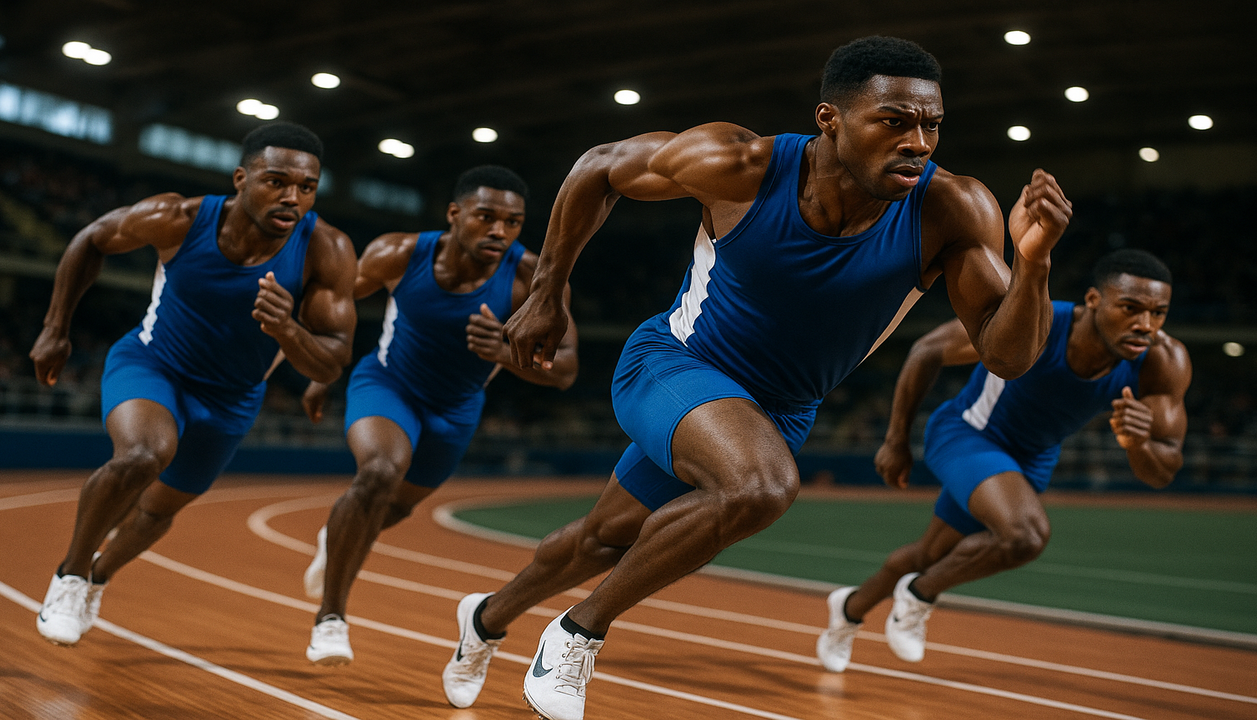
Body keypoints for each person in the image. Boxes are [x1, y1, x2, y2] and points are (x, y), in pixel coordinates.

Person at [441, 36, 1073, 720]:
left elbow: (1008, 356)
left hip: (779, 409)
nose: (918, 141)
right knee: (760, 485)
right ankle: (576, 634)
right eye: (894, 121)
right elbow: (599, 167)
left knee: (605, 537)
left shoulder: (952, 208)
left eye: (931, 124)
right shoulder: (739, 163)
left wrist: (1034, 262)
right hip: (675, 365)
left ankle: (484, 620)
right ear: (830, 120)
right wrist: (546, 293)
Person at [29, 122, 357, 647]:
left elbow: (331, 363)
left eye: (307, 187)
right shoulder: (177, 217)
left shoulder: (327, 250)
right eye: (276, 181)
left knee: (158, 511)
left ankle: (97, 577)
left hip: (231, 399)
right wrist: (55, 329)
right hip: (153, 364)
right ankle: (68, 576)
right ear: (240, 178)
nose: (292, 198)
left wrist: (288, 329)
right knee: (144, 454)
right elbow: (92, 239)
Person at [816, 248, 1190, 671]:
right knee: (1025, 535)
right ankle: (919, 595)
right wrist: (896, 438)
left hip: (1030, 458)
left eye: (1159, 313)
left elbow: (1164, 468)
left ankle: (847, 612)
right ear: (1092, 301)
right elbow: (927, 349)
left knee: (929, 553)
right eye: (1130, 308)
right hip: (968, 433)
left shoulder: (1163, 361)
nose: (1145, 325)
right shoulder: (1038, 322)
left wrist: (1138, 443)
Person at [299, 166, 579, 669]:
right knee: (380, 472)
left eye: (513, 223)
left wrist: (504, 353)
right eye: (486, 217)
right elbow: (333, 304)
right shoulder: (400, 253)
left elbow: (566, 371)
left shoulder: (530, 279)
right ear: (454, 214)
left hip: (457, 410)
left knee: (396, 508)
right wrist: (324, 366)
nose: (499, 231)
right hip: (387, 385)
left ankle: (334, 538)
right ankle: (330, 618)